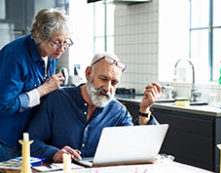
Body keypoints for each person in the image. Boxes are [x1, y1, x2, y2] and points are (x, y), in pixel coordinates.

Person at [28, 52, 162, 162]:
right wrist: (55, 153)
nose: (108, 88)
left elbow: (136, 149)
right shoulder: (57, 100)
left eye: (114, 83)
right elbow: (31, 143)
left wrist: (144, 110)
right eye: (103, 79)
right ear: (88, 74)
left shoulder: (118, 112)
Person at [0, 8, 72, 162]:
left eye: (66, 42)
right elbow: (5, 105)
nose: (61, 49)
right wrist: (43, 90)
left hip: (33, 139)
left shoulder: (51, 54)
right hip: (9, 140)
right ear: (39, 36)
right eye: (56, 43)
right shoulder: (15, 55)